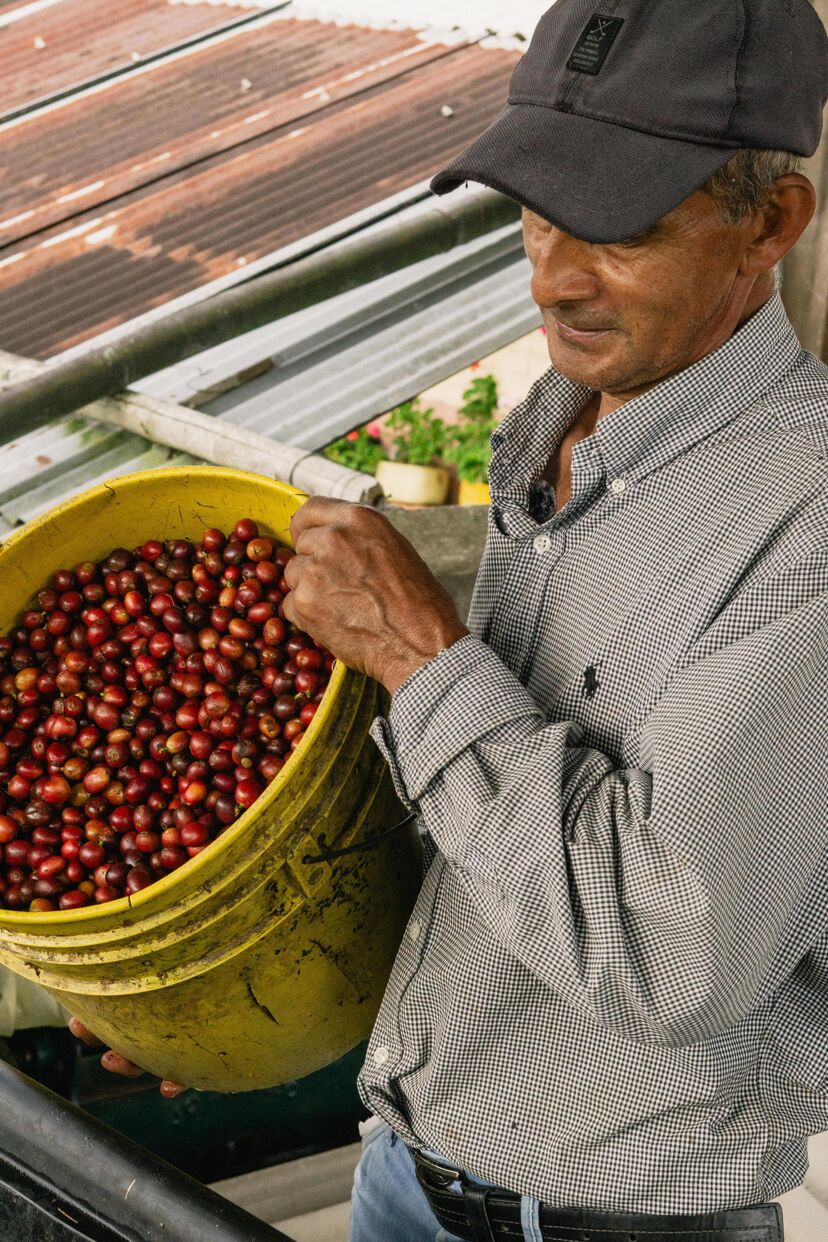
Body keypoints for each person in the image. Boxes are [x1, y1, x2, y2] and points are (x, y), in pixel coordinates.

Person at [75, 1, 828, 1239]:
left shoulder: (802, 525)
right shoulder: (566, 417)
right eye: (536, 208)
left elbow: (662, 948)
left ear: (771, 224)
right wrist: (245, 995)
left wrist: (422, 658)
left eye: (620, 228)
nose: (553, 275)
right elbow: (494, 857)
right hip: (407, 1177)